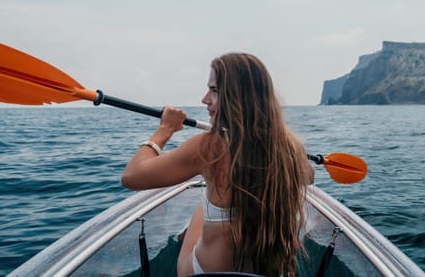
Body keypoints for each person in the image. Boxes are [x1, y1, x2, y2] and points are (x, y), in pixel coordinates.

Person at [122, 53, 314, 276]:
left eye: (214, 90)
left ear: (237, 96)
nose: (205, 99)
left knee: (207, 197)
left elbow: (131, 176)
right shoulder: (291, 147)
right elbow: (308, 176)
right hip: (270, 273)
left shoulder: (210, 147)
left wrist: (164, 130)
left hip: (207, 273)